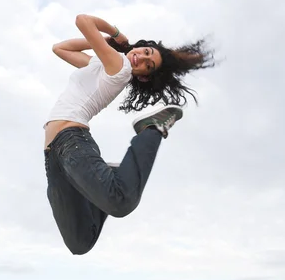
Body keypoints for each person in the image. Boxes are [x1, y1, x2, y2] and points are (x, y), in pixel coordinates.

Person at [44, 14, 213, 255]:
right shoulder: (101, 64)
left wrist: (116, 36)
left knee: (121, 201)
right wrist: (106, 41)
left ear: (144, 76)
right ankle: (107, 176)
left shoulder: (120, 67)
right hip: (54, 154)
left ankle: (152, 128)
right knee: (80, 242)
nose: (141, 57)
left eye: (148, 63)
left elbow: (82, 20)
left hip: (71, 142)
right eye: (145, 51)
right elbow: (59, 48)